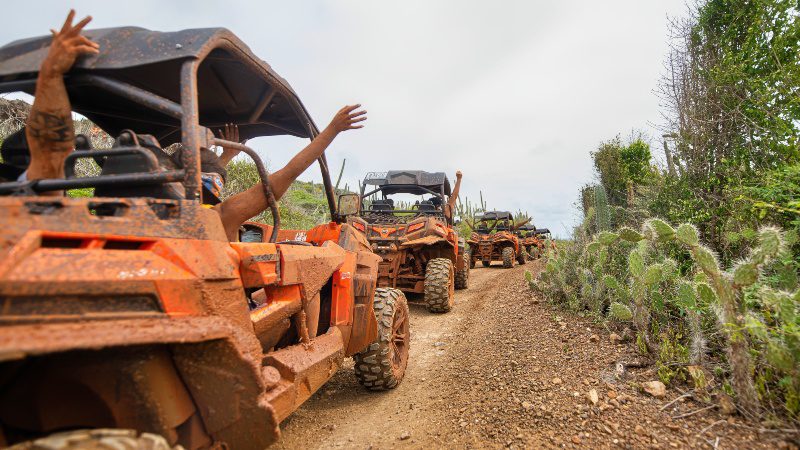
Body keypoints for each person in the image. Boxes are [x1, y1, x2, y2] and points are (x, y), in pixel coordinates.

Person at [24, 10, 366, 241]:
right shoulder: (216, 219)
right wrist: (331, 130)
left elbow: (49, 148)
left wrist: (51, 74)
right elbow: (285, 175)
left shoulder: (75, 215)